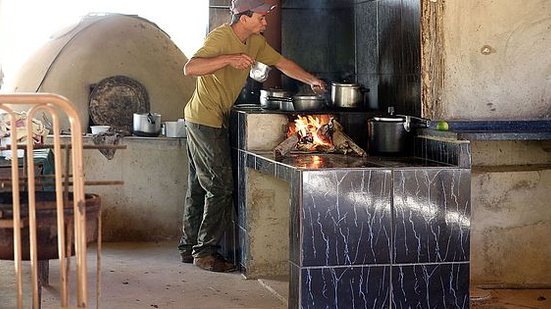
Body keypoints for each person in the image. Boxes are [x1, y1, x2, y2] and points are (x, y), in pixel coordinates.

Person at [178, 0, 326, 272]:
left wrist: (311, 80)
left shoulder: (255, 42)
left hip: (211, 118)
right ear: (244, 17)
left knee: (200, 185)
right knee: (220, 187)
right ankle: (205, 252)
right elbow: (191, 67)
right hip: (203, 119)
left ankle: (189, 248)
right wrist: (228, 59)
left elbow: (282, 63)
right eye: (261, 16)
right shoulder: (221, 37)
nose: (265, 22)